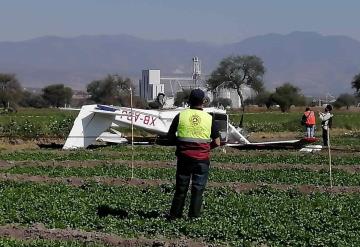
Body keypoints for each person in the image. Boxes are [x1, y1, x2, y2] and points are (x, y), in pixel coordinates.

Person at [167, 88, 220, 219]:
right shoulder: (209, 118)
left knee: (181, 188)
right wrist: (206, 148)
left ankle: (175, 215)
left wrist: (181, 145)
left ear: (189, 101)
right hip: (202, 159)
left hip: (184, 158)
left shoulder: (181, 116)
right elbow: (218, 142)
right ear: (203, 102)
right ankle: (194, 216)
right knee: (198, 189)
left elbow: (170, 136)